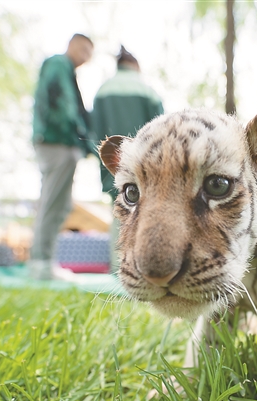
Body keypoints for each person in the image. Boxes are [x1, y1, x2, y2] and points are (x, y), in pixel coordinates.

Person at [92, 46, 164, 272]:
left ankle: (120, 269)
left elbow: (95, 132)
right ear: (135, 65)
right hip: (148, 168)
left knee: (119, 210)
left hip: (114, 163)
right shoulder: (147, 90)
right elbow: (164, 131)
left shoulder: (102, 90)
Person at [29, 33, 94, 281]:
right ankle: (42, 263)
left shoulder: (68, 71)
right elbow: (59, 103)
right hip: (57, 141)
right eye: (84, 49)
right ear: (72, 45)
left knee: (60, 203)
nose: (86, 56)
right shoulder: (58, 65)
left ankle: (43, 260)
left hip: (60, 141)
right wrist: (78, 134)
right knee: (53, 202)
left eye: (90, 53)